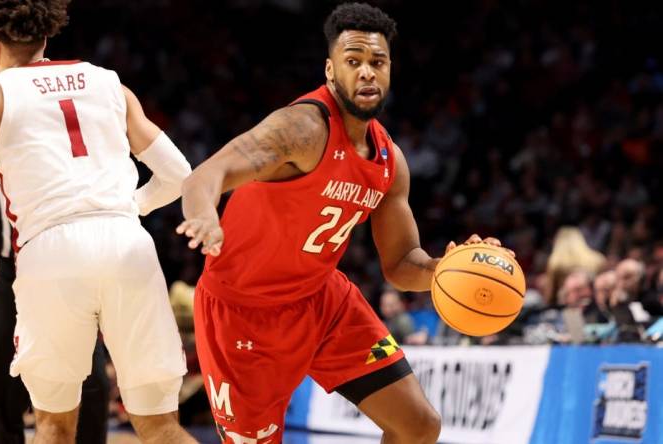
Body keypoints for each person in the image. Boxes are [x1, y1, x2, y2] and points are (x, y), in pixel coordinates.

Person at [177, 3, 507, 443]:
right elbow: (206, 174)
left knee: (418, 426)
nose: (367, 72)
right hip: (244, 315)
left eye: (378, 62)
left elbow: (401, 263)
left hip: (323, 302)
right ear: (331, 72)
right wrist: (203, 216)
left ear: (390, 70)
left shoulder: (391, 161)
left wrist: (445, 270)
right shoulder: (301, 128)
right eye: (354, 62)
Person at [0, 1, 195, 442]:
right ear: (45, 37)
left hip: (51, 252)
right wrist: (127, 208)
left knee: (54, 425)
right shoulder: (110, 84)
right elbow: (179, 175)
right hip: (128, 244)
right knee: (160, 427)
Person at [0, 150, 110, 444]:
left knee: (93, 375)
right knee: (3, 374)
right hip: (3, 269)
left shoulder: (63, 148)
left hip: (61, 266)